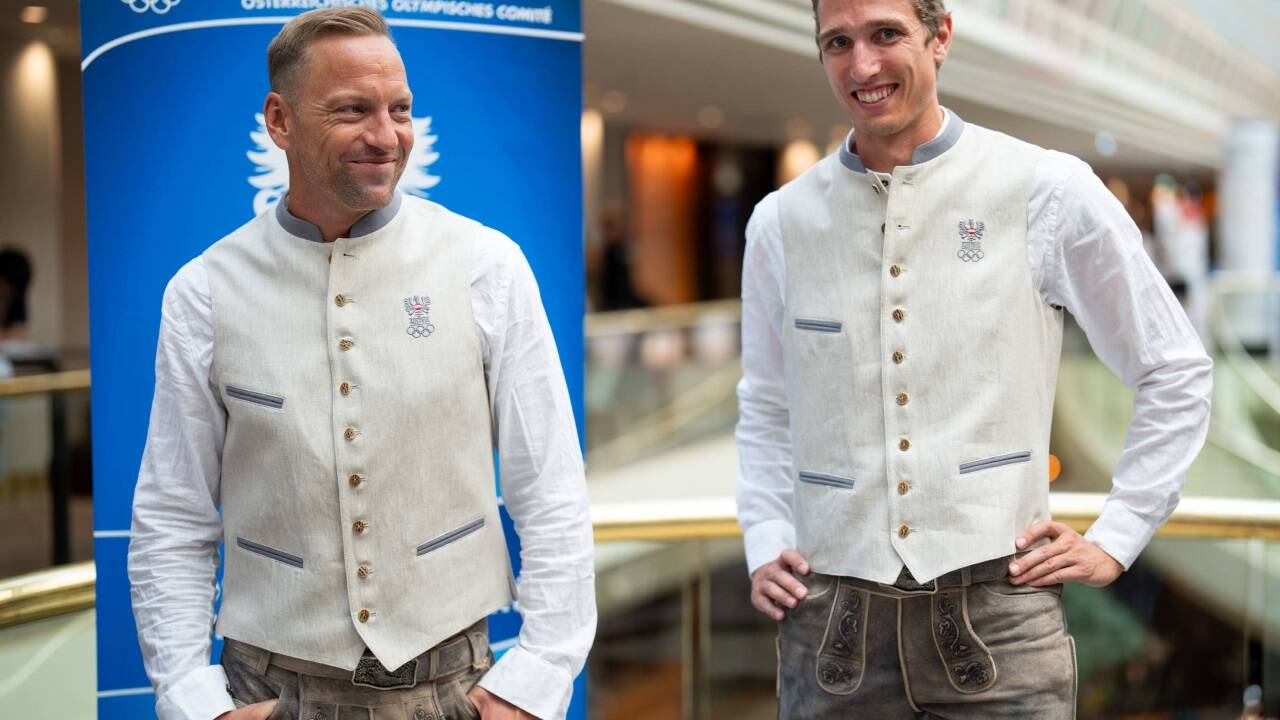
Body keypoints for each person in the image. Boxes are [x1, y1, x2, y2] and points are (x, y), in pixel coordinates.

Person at [734, 0, 1212, 717]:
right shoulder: (780, 221)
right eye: (838, 42)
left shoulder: (1046, 189)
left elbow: (1173, 368)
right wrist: (765, 536)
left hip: (1001, 613)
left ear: (941, 36)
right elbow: (766, 405)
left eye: (886, 34)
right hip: (828, 620)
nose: (862, 65)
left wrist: (1119, 535)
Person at [127, 9, 595, 720]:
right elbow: (172, 515)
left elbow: (551, 487)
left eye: (399, 109)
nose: (386, 136)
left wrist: (536, 680)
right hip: (268, 691)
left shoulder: (486, 266)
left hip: (453, 686)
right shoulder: (203, 291)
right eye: (352, 110)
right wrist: (196, 703)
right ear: (279, 121)